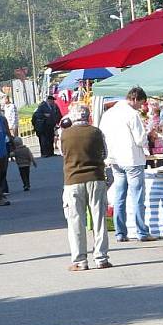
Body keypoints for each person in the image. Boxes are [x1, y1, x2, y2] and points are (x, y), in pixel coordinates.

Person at [99, 86, 154, 243]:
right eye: (141, 103)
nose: (141, 106)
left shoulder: (108, 114)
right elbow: (139, 139)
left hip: (114, 158)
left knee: (119, 196)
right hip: (132, 159)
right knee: (137, 196)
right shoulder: (132, 114)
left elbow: (102, 135)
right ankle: (142, 232)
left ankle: (120, 232)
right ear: (135, 99)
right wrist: (147, 136)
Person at [60, 104, 111, 271]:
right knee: (99, 219)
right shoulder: (96, 132)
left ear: (72, 117)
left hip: (73, 180)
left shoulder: (64, 134)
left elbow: (62, 153)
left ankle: (80, 260)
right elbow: (105, 153)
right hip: (96, 178)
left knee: (75, 221)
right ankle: (101, 257)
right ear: (88, 116)